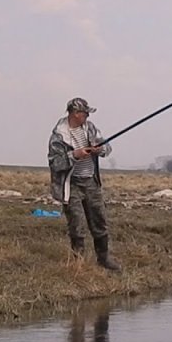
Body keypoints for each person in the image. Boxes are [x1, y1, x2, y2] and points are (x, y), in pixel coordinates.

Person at [48, 97, 120, 271]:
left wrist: (99, 149)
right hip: (71, 184)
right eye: (85, 113)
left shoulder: (91, 128)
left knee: (99, 221)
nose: (87, 116)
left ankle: (103, 259)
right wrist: (75, 155)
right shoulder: (59, 136)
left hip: (91, 182)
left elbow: (108, 147)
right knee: (77, 224)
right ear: (75, 113)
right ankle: (77, 263)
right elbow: (54, 163)